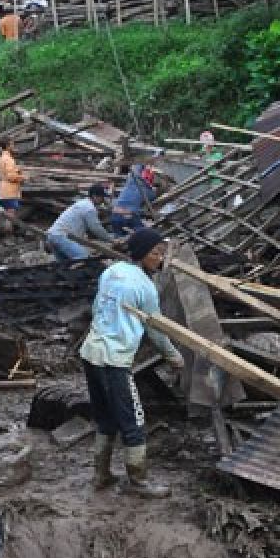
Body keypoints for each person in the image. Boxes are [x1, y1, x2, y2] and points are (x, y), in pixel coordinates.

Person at [79, 228, 184, 497]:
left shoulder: (111, 271)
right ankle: (139, 481)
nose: (159, 259)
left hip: (91, 353)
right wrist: (173, 356)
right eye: (155, 253)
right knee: (133, 420)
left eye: (161, 253)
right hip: (115, 360)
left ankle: (100, 474)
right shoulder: (145, 287)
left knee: (105, 417)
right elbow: (156, 329)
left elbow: (96, 309)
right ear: (141, 254)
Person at [47, 185, 113, 261]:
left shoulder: (83, 203)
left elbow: (90, 229)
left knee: (64, 265)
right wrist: (111, 240)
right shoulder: (89, 208)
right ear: (95, 196)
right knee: (83, 257)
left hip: (53, 235)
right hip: (61, 236)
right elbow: (96, 228)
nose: (103, 200)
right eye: (102, 197)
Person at [110, 164, 158, 235]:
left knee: (118, 238)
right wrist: (154, 190)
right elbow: (154, 196)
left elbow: (136, 166)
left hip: (115, 215)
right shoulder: (147, 191)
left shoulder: (129, 182)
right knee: (142, 234)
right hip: (129, 216)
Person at [0, 136, 24, 229]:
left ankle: (5, 233)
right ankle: (7, 236)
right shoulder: (8, 159)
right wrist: (22, 177)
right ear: (8, 146)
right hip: (9, 191)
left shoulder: (1, 158)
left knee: (7, 215)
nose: (13, 145)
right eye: (12, 144)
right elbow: (11, 176)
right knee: (10, 215)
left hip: (3, 190)